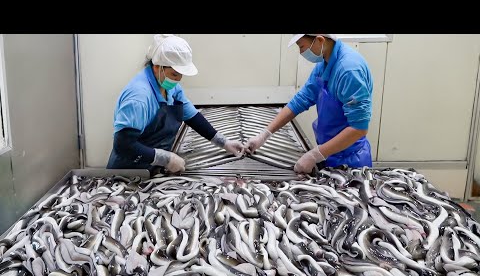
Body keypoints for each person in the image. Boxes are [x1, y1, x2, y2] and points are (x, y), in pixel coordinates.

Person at [107, 34, 244, 173]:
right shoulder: (139, 97)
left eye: (181, 74)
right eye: (174, 74)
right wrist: (166, 159)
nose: (178, 79)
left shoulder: (170, 87)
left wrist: (223, 142)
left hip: (154, 168)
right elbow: (123, 145)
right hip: (128, 173)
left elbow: (192, 117)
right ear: (157, 67)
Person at [245, 34, 373, 173]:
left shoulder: (349, 70)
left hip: (351, 160)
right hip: (328, 153)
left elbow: (359, 128)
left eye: (302, 47)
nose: (301, 53)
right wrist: (264, 135)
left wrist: (315, 155)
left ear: (320, 40)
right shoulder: (325, 63)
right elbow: (301, 100)